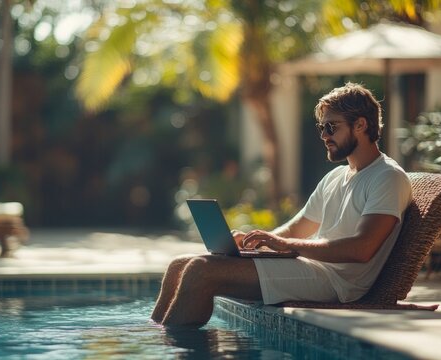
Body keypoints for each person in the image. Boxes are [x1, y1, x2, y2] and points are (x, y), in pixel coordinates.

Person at [151, 82, 412, 327]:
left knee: (200, 272)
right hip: (312, 270)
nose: (324, 136)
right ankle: (157, 341)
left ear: (361, 125)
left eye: (331, 127)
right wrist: (255, 242)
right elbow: (296, 228)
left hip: (338, 281)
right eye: (322, 128)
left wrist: (286, 246)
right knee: (179, 265)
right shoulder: (336, 177)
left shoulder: (387, 177)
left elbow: (361, 249)